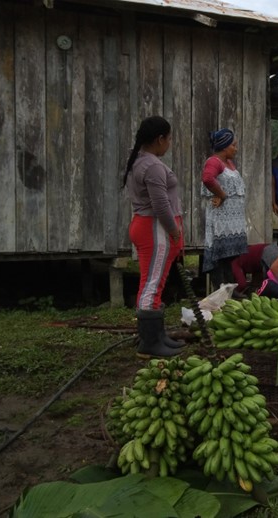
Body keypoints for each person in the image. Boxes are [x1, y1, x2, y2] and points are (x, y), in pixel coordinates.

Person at [123, 115, 184, 359]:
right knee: (152, 284)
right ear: (160, 139)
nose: (169, 144)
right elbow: (161, 205)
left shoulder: (138, 160)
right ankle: (149, 343)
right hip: (155, 227)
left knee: (152, 282)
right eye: (168, 139)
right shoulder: (153, 166)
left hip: (146, 225)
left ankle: (156, 336)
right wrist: (174, 231)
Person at [201, 128, 248, 288]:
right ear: (224, 146)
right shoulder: (214, 161)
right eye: (233, 145)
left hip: (232, 224)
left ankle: (229, 290)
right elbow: (207, 179)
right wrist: (221, 194)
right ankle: (221, 292)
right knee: (220, 258)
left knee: (228, 259)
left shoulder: (229, 163)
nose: (236, 148)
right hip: (221, 223)